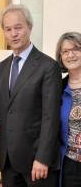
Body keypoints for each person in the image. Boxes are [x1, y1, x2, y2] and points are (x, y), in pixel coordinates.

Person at [0, 4, 62, 187]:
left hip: (36, 162)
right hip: (8, 160)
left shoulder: (48, 67)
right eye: (8, 29)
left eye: (18, 27)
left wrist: (42, 158)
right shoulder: (1, 67)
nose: (13, 33)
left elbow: (51, 117)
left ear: (29, 28)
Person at [55, 32, 81, 187]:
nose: (70, 55)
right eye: (65, 51)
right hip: (70, 164)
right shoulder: (57, 88)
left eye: (76, 49)